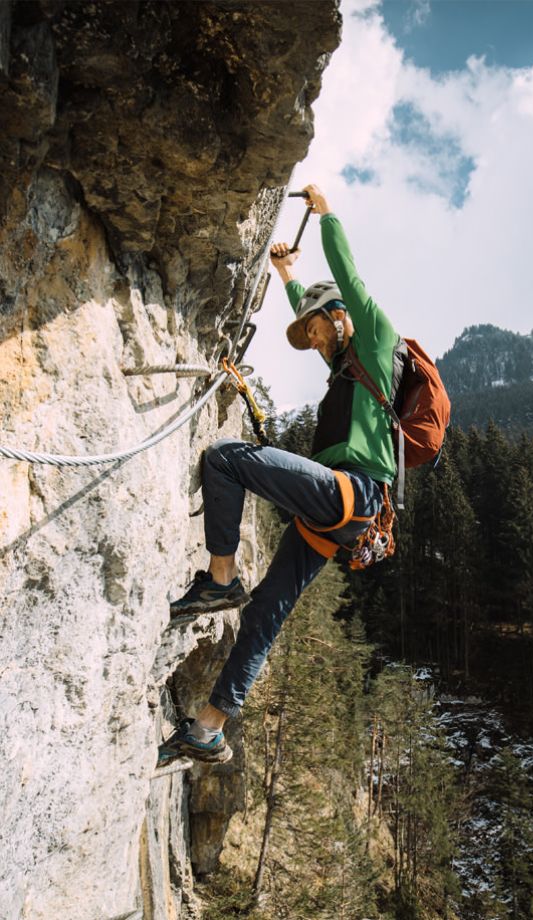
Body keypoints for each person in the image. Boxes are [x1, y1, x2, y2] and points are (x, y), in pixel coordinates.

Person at [157, 184, 403, 766]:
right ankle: (209, 729)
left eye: (315, 329)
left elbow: (349, 279)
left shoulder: (375, 341)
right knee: (266, 609)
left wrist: (326, 215)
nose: (311, 341)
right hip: (334, 514)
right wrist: (289, 274)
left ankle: (221, 577)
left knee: (225, 458)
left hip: (352, 494)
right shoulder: (344, 368)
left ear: (339, 318)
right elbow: (316, 309)